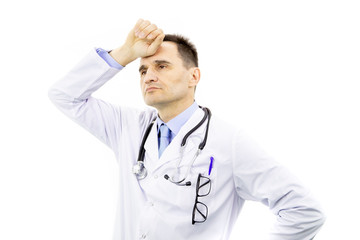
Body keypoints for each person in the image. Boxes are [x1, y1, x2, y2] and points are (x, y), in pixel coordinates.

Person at [48, 19, 325, 240]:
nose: (150, 76)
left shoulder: (229, 142)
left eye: (162, 65)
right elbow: (64, 95)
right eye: (143, 70)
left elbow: (304, 211)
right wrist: (127, 52)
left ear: (194, 76)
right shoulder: (127, 126)